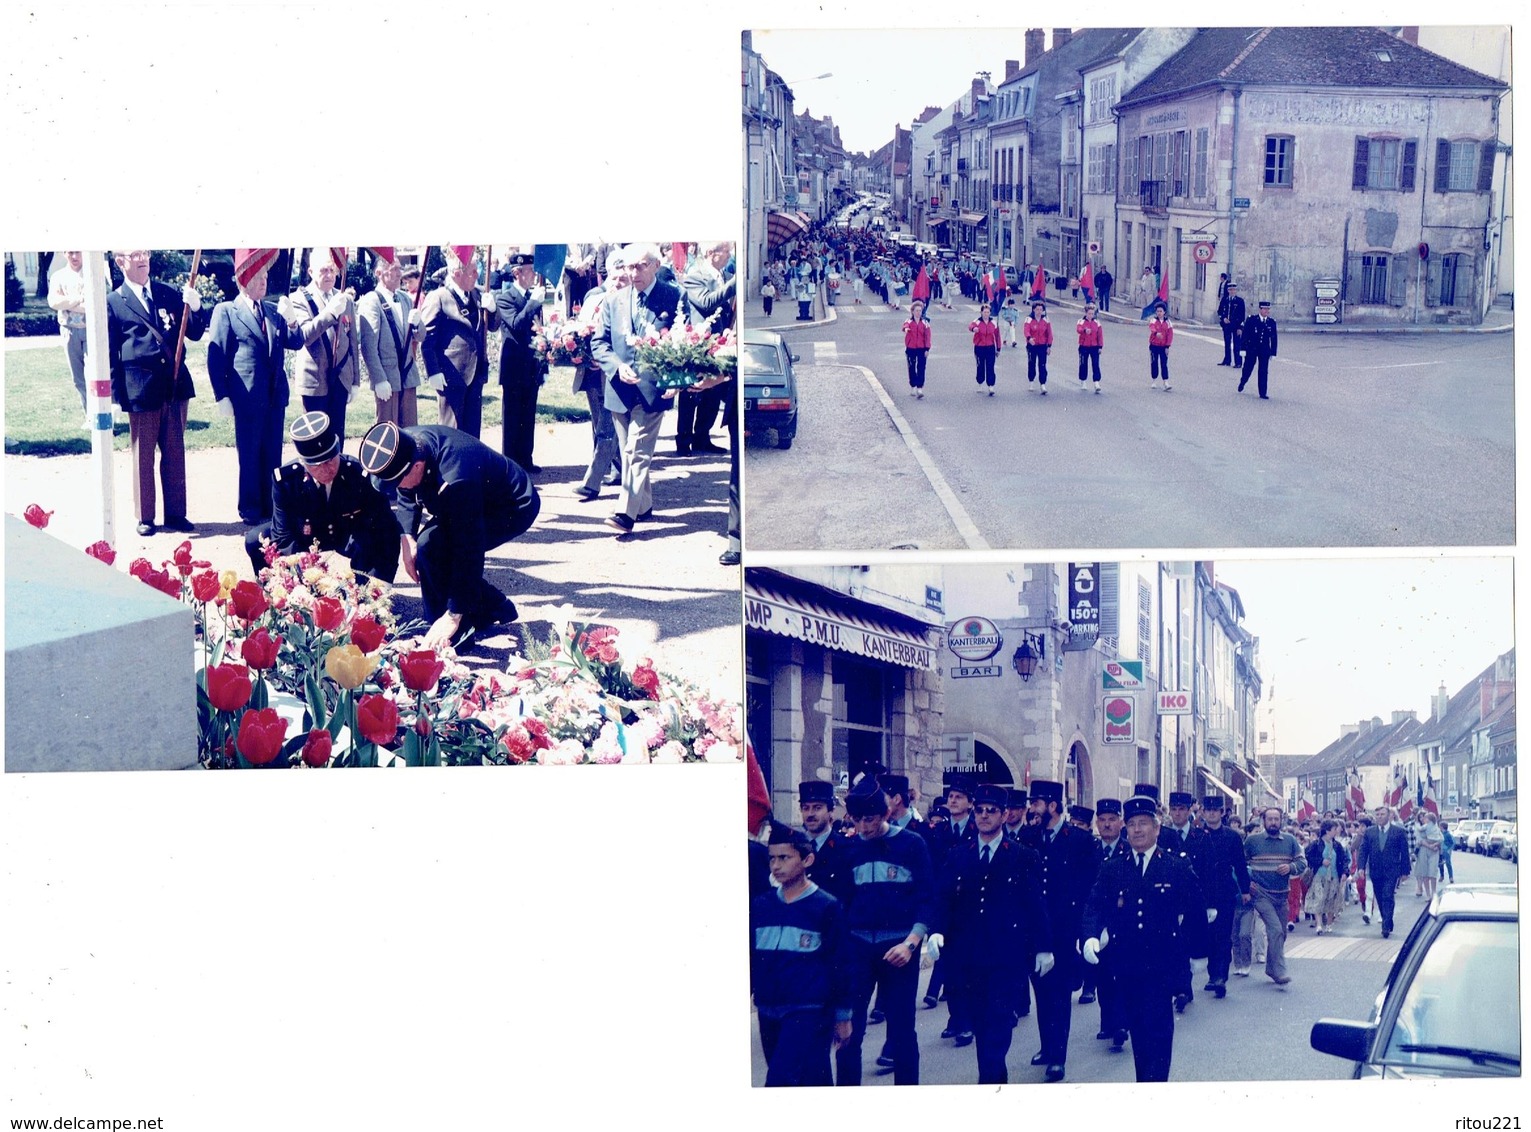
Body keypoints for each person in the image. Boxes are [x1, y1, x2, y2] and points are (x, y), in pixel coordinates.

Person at [358, 420, 540, 649]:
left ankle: (452, 636)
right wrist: (407, 537)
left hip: (510, 505)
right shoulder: (407, 445)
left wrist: (453, 615)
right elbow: (405, 490)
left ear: (417, 466)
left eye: (397, 482)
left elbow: (469, 551)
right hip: (471, 499)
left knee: (437, 549)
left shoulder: (455, 478)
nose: (396, 488)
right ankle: (492, 606)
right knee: (425, 546)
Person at [1081, 794, 1212, 1083]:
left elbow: (1195, 908)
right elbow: (1094, 904)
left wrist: (1199, 954)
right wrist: (1090, 935)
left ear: (1157, 828)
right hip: (1126, 965)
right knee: (1139, 1031)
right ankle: (1146, 1085)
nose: (1137, 830)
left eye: (1143, 824)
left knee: (1159, 1032)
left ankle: (1156, 1086)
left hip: (1163, 965)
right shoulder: (1114, 868)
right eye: (1131, 825)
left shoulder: (1175, 866)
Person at [929, 783, 1051, 1085]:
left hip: (1007, 957)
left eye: (991, 811)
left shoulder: (1023, 856)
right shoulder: (959, 855)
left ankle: (992, 1079)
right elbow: (943, 897)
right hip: (968, 956)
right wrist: (936, 931)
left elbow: (1036, 903)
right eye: (980, 811)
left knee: (998, 1024)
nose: (984, 816)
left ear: (1004, 814)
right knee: (981, 1023)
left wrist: (1043, 947)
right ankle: (993, 1075)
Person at [834, 777, 935, 1086]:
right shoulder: (848, 849)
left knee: (902, 1030)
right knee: (849, 1029)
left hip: (899, 949)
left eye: (870, 819)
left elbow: (928, 899)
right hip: (858, 951)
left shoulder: (912, 845)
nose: (864, 827)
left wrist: (911, 943)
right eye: (857, 819)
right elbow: (840, 905)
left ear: (886, 814)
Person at [106, 248, 206, 537]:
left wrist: (196, 307)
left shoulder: (167, 293)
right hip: (140, 388)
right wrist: (115, 397)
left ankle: (176, 513)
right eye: (134, 254)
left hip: (173, 385)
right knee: (143, 455)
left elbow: (195, 332)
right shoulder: (114, 302)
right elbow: (111, 353)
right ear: (120, 262)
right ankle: (146, 516)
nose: (142, 259)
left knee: (175, 452)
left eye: (145, 253)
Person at [207, 248, 306, 526]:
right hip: (246, 396)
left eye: (265, 276)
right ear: (243, 280)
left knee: (272, 454)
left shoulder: (273, 311)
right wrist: (221, 395)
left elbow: (296, 342)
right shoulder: (226, 311)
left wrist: (292, 319)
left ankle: (269, 506)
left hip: (274, 395)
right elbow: (217, 357)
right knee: (249, 454)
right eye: (258, 276)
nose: (264, 281)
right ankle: (250, 508)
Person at [589, 243, 684, 536]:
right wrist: (617, 366)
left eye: (641, 266)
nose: (634, 272)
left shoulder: (673, 296)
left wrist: (676, 381)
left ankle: (625, 513)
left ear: (655, 265)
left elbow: (683, 341)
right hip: (620, 390)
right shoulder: (613, 300)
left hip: (654, 390)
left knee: (636, 450)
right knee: (629, 452)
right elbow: (599, 344)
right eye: (630, 267)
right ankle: (643, 506)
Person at [245, 411, 400, 582]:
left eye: (331, 460)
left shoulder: (359, 474)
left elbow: (384, 523)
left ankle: (368, 593)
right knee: (255, 540)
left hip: (348, 538)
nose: (327, 469)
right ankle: (278, 594)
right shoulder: (286, 480)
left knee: (383, 534)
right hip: (306, 539)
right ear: (304, 463)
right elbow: (282, 536)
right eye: (317, 465)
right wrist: (303, 578)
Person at [750, 824, 850, 1087]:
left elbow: (839, 964)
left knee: (779, 1080)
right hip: (769, 1008)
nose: (776, 865)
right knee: (811, 1078)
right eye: (772, 858)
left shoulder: (825, 906)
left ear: (807, 860)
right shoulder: (762, 905)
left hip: (807, 1009)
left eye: (785, 858)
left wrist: (843, 1015)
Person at [1017, 779, 1099, 1083]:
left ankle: (1058, 1057)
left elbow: (1091, 887)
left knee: (1060, 994)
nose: (1031, 810)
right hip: (1034, 930)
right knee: (1041, 989)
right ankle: (1046, 1046)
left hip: (1065, 931)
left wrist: (1084, 931)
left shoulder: (1078, 840)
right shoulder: (1028, 837)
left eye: (1036, 803)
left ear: (1052, 805)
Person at [420, 244, 499, 438]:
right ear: (456, 273)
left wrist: (493, 309)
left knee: (473, 431)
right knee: (452, 430)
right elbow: (427, 339)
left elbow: (494, 326)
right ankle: (451, 469)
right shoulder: (438, 297)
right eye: (472, 271)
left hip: (476, 373)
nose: (476, 275)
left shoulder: (478, 294)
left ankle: (471, 468)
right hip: (451, 374)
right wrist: (433, 371)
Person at [287, 247, 360, 448]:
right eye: (323, 271)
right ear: (311, 272)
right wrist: (330, 313)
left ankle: (336, 479)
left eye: (332, 270)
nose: (329, 275)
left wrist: (355, 381)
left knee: (338, 438)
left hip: (340, 378)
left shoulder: (345, 299)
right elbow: (305, 336)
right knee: (316, 441)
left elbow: (352, 340)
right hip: (315, 379)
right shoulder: (299, 298)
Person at [571, 250, 625, 504]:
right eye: (615, 276)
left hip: (615, 376)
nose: (617, 282)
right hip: (592, 375)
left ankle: (591, 484)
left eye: (622, 278)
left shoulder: (628, 304)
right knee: (601, 427)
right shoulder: (595, 298)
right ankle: (621, 470)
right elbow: (580, 329)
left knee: (605, 429)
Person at [1186, 794, 1251, 998]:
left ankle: (1220, 977)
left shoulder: (1232, 837)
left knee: (1223, 936)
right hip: (1201, 894)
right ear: (1203, 812)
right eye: (1208, 810)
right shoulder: (1195, 836)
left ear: (1222, 813)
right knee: (1207, 936)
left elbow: (1240, 865)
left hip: (1224, 892)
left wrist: (1246, 889)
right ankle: (1212, 974)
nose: (1212, 813)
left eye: (1216, 810)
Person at [679, 239, 736, 458]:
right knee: (692, 391)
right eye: (726, 252)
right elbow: (705, 302)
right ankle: (683, 439)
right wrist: (732, 285)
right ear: (712, 252)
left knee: (713, 391)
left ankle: (702, 437)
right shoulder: (695, 277)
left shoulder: (724, 277)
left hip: (719, 342)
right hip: (698, 342)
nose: (730, 256)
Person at [493, 252, 548, 472]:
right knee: (513, 416)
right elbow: (516, 324)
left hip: (532, 365)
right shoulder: (506, 298)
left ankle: (526, 458)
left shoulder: (531, 297)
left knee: (528, 414)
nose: (534, 274)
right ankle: (511, 463)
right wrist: (533, 303)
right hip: (515, 366)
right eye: (529, 270)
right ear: (517, 273)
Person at [356, 248, 421, 431]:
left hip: (407, 375)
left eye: (399, 268)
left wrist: (417, 323)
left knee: (410, 432)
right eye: (393, 268)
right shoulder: (371, 300)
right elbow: (369, 346)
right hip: (387, 377)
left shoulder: (405, 299)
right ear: (379, 273)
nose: (399, 273)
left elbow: (420, 335)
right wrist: (378, 379)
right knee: (387, 433)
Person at [1243, 807, 1306, 984]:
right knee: (1275, 930)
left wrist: (1291, 868)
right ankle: (1279, 970)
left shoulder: (1290, 841)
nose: (1273, 822)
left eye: (1276, 819)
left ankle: (1271, 968)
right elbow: (1240, 864)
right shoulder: (1252, 841)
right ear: (1263, 820)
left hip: (1281, 894)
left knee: (1281, 934)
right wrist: (1247, 883)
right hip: (1261, 893)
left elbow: (1302, 862)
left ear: (1281, 821)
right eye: (1269, 819)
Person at [47, 250, 90, 424]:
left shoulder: (93, 274)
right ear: (65, 253)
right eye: (70, 252)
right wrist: (79, 299)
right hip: (68, 330)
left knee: (92, 374)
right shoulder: (59, 276)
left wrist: (68, 303)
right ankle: (90, 416)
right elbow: (54, 302)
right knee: (78, 378)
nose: (74, 257)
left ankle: (100, 414)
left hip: (90, 330)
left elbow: (95, 304)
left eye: (78, 252)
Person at [1355, 805, 1411, 938]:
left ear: (1389, 815)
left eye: (1382, 814)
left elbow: (1404, 853)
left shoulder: (1398, 831)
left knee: (1387, 895)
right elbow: (1363, 850)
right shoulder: (1370, 832)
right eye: (1377, 815)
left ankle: (1385, 925)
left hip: (1392, 870)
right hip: (1375, 870)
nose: (1379, 817)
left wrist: (1405, 871)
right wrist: (1361, 867)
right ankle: (1388, 918)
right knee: (1380, 897)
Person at [1303, 819, 1350, 934]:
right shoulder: (1316, 844)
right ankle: (1319, 925)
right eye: (1334, 829)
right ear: (1327, 831)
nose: (1336, 831)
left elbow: (1344, 860)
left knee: (1332, 900)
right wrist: (1320, 861)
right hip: (1319, 876)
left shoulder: (1337, 845)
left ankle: (1329, 924)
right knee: (1319, 899)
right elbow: (1307, 856)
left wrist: (1344, 873)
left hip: (1334, 876)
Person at [1238, 300, 1279, 398]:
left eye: (1268, 309)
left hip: (1264, 350)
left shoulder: (1271, 322)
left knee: (1263, 370)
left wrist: (1273, 352)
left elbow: (1274, 338)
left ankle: (1263, 393)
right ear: (1260, 309)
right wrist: (1242, 348)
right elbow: (1245, 335)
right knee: (1248, 368)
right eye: (1264, 309)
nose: (1266, 311)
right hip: (1252, 348)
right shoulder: (1251, 320)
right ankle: (1243, 381)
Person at [969, 304, 1001, 395]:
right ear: (981, 312)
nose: (986, 314)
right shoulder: (978, 321)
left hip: (990, 347)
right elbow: (971, 325)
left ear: (990, 313)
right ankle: (980, 382)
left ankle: (991, 385)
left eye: (988, 312)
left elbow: (997, 336)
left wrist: (998, 348)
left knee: (990, 366)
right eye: (984, 312)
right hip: (979, 347)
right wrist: (973, 328)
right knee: (980, 366)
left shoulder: (994, 323)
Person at [902, 300, 931, 399]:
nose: (918, 312)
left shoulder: (925, 322)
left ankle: (920, 387)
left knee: (921, 367)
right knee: (911, 367)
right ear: (913, 311)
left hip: (922, 348)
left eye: (920, 310)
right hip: (911, 348)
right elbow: (905, 326)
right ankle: (913, 385)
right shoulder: (909, 321)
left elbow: (928, 336)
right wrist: (906, 329)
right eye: (917, 310)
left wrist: (927, 348)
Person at [1023, 300, 1052, 394]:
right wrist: (1029, 338)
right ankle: (1031, 381)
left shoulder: (1046, 319)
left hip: (1043, 345)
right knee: (1032, 363)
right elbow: (1026, 330)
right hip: (1032, 345)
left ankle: (1042, 384)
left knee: (1042, 365)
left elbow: (1049, 333)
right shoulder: (1029, 319)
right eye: (1037, 309)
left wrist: (1049, 346)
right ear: (1034, 310)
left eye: (1041, 309)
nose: (1039, 311)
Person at [1413, 811, 1443, 902]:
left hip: (1434, 851)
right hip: (1423, 850)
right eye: (1421, 817)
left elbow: (1441, 838)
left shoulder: (1435, 827)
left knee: (1433, 872)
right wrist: (1429, 845)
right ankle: (1428, 894)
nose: (1423, 819)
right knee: (1425, 873)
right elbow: (1420, 840)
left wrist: (1436, 844)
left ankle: (1434, 892)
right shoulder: (1419, 828)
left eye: (1424, 817)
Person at [1076, 303, 1104, 392]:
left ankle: (1096, 382)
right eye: (1089, 313)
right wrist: (1084, 330)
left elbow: (1100, 335)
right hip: (1084, 346)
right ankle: (1083, 381)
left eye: (1092, 314)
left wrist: (1100, 346)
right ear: (1086, 313)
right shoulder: (1081, 321)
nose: (1091, 315)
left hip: (1094, 346)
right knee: (1083, 364)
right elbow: (1078, 329)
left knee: (1095, 364)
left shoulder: (1097, 323)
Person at [1217, 281, 1246, 367]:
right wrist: (1223, 318)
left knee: (1237, 344)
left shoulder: (1240, 301)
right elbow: (1220, 311)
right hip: (1226, 325)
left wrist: (1240, 328)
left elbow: (1242, 315)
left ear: (1236, 291)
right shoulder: (1225, 300)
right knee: (1227, 343)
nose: (1232, 291)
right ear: (1228, 290)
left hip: (1236, 325)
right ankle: (1227, 360)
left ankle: (1238, 362)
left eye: (1234, 290)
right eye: (1230, 290)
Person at [1148, 302, 1173, 391]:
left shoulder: (1168, 322)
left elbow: (1170, 335)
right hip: (1154, 345)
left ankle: (1165, 382)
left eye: (1161, 311)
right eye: (1157, 311)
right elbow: (1152, 327)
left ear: (1164, 312)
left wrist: (1167, 346)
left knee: (1164, 364)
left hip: (1163, 347)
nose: (1159, 313)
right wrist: (1156, 333)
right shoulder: (1153, 320)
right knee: (1154, 363)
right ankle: (1154, 380)